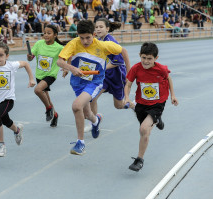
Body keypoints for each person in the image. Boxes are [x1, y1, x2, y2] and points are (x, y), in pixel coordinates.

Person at [57, 20, 129, 155]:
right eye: (81, 37)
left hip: (94, 82)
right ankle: (96, 121)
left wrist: (129, 72)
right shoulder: (73, 43)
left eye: (88, 37)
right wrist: (70, 68)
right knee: (86, 114)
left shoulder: (103, 45)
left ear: (94, 34)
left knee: (76, 106)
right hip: (78, 83)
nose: (84, 41)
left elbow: (123, 51)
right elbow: (59, 61)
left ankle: (80, 143)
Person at [124, 42, 179, 172]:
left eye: (149, 59)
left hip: (158, 103)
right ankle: (157, 120)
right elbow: (128, 85)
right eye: (143, 57)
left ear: (156, 58)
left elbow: (169, 78)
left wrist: (173, 96)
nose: (146, 61)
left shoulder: (161, 69)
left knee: (144, 129)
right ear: (139, 55)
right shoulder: (136, 68)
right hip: (141, 103)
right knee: (144, 129)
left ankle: (139, 160)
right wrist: (126, 97)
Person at [0, 42, 36, 157]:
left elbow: (26, 64)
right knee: (5, 121)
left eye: (1, 55)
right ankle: (17, 130)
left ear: (6, 56)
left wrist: (31, 79)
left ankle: (1, 144)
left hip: (8, 99)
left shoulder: (11, 65)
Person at [90, 18, 134, 126]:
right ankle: (95, 122)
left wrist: (129, 72)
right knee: (92, 97)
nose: (98, 29)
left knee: (118, 105)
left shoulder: (110, 41)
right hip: (105, 77)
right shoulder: (99, 40)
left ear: (107, 28)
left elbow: (118, 61)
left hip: (117, 76)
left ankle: (133, 105)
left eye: (101, 27)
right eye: (96, 27)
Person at [27, 24, 65, 127]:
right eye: (44, 33)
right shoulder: (39, 43)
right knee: (47, 98)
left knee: (37, 90)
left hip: (50, 75)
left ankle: (48, 109)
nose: (46, 35)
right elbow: (30, 59)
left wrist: (66, 68)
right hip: (39, 75)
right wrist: (29, 56)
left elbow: (68, 57)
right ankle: (55, 114)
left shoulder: (59, 48)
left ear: (55, 35)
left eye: (49, 33)